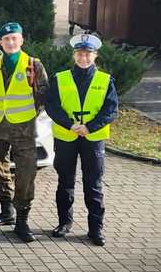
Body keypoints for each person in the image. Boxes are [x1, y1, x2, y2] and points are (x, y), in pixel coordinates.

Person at [0, 22, 49, 242]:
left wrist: (36, 116)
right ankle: (7, 211)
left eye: (14, 38)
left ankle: (22, 220)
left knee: (26, 174)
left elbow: (44, 96)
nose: (11, 43)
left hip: (23, 129)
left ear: (21, 40)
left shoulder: (33, 65)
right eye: (6, 40)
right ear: (1, 43)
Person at [45, 33, 118, 246]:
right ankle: (64, 223)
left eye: (87, 54)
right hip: (66, 136)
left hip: (93, 139)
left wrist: (89, 127)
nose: (83, 58)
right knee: (65, 181)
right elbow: (52, 106)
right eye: (79, 54)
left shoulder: (105, 80)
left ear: (95, 55)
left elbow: (111, 110)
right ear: (74, 55)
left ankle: (95, 229)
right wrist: (71, 125)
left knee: (93, 184)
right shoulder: (60, 78)